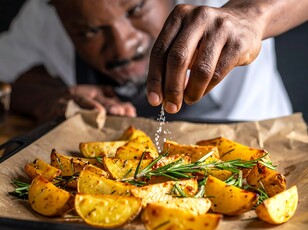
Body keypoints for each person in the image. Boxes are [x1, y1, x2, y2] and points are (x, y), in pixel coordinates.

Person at [0, 0, 305, 124]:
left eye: (136, 9)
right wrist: (54, 98)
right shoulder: (43, 15)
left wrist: (251, 16)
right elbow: (8, 77)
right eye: (90, 31)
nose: (124, 44)